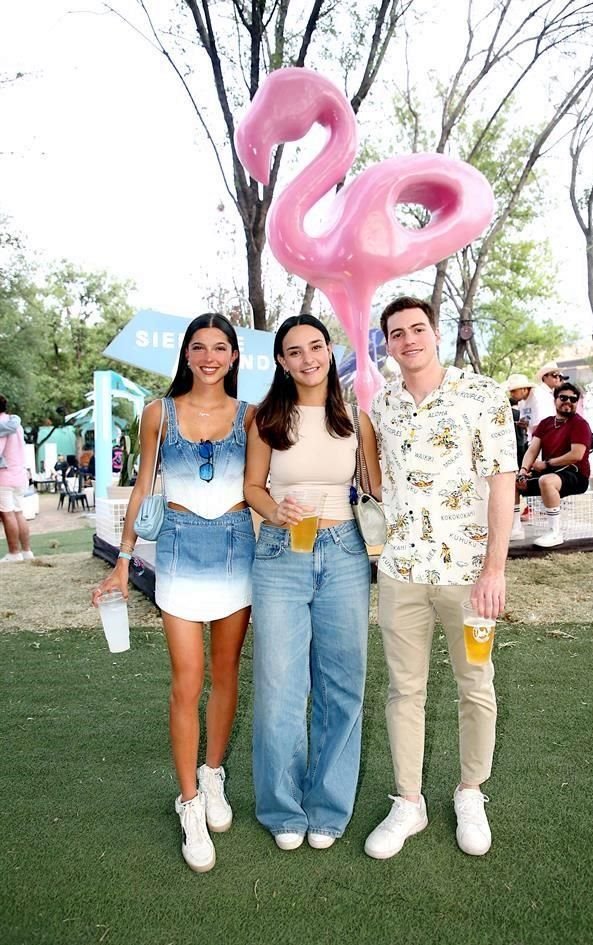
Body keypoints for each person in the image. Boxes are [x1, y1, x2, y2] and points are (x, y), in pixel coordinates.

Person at [92, 313, 256, 873]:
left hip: (237, 549)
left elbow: (262, 486)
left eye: (220, 347)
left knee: (227, 674)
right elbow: (143, 486)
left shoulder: (252, 417)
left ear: (234, 357)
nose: (209, 356)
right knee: (188, 682)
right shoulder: (158, 413)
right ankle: (188, 801)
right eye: (199, 347)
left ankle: (213, 776)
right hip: (180, 551)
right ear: (185, 355)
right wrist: (122, 559)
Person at [364, 296, 516, 861]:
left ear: (436, 331)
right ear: (387, 344)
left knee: (475, 685)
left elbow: (503, 481)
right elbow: (377, 481)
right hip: (401, 572)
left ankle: (470, 792)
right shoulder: (383, 404)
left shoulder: (482, 395)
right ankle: (409, 801)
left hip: (469, 574)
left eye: (417, 329)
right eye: (396, 334)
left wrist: (495, 569)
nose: (408, 340)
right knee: (404, 689)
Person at [244, 314, 380, 852]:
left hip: (345, 551)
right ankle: (282, 808)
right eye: (294, 351)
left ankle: (328, 807)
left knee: (342, 684)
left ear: (329, 350)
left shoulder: (356, 419)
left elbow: (372, 487)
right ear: (281, 361)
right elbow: (253, 486)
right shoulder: (265, 419)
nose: (308, 358)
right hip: (281, 554)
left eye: (316, 346)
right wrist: (274, 510)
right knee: (280, 685)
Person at [517, 382, 591, 548]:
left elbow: (576, 455)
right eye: (563, 397)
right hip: (550, 473)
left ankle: (554, 532)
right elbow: (532, 450)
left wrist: (547, 464)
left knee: (547, 481)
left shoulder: (580, 424)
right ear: (555, 399)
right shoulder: (546, 423)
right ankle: (515, 528)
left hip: (576, 475)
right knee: (513, 481)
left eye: (573, 399)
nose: (568, 401)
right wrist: (523, 471)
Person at [0, 395, 34, 563]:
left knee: (7, 514)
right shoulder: (15, 424)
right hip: (19, 474)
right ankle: (26, 551)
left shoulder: (1, 426)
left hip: (4, 476)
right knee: (18, 512)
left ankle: (14, 552)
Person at [505, 374, 534, 541]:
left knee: (519, 481)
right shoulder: (522, 406)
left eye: (514, 391)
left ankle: (526, 513)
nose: (512, 394)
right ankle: (515, 524)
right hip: (524, 448)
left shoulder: (537, 401)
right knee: (514, 483)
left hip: (526, 449)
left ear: (523, 389)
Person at [519, 361, 569, 439]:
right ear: (544, 377)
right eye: (554, 375)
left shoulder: (550, 393)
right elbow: (540, 420)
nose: (558, 378)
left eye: (559, 376)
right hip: (541, 438)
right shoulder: (539, 393)